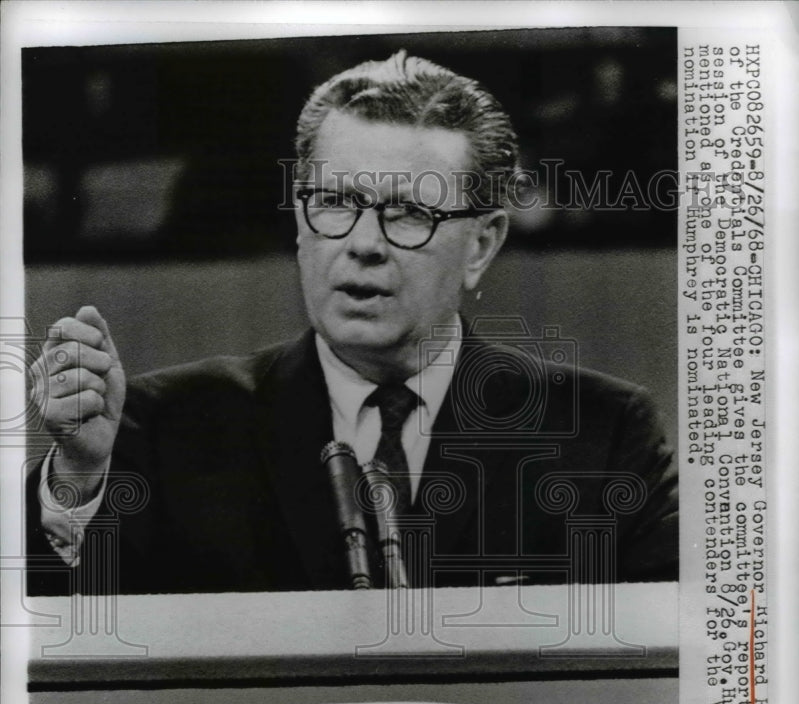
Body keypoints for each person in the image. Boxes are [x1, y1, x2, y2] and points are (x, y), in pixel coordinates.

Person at [26, 51, 677, 595]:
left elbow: (667, 681)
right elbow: (54, 657)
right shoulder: (169, 426)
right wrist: (79, 479)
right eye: (335, 203)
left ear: (480, 245)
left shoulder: (601, 437)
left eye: (406, 213)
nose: (363, 244)